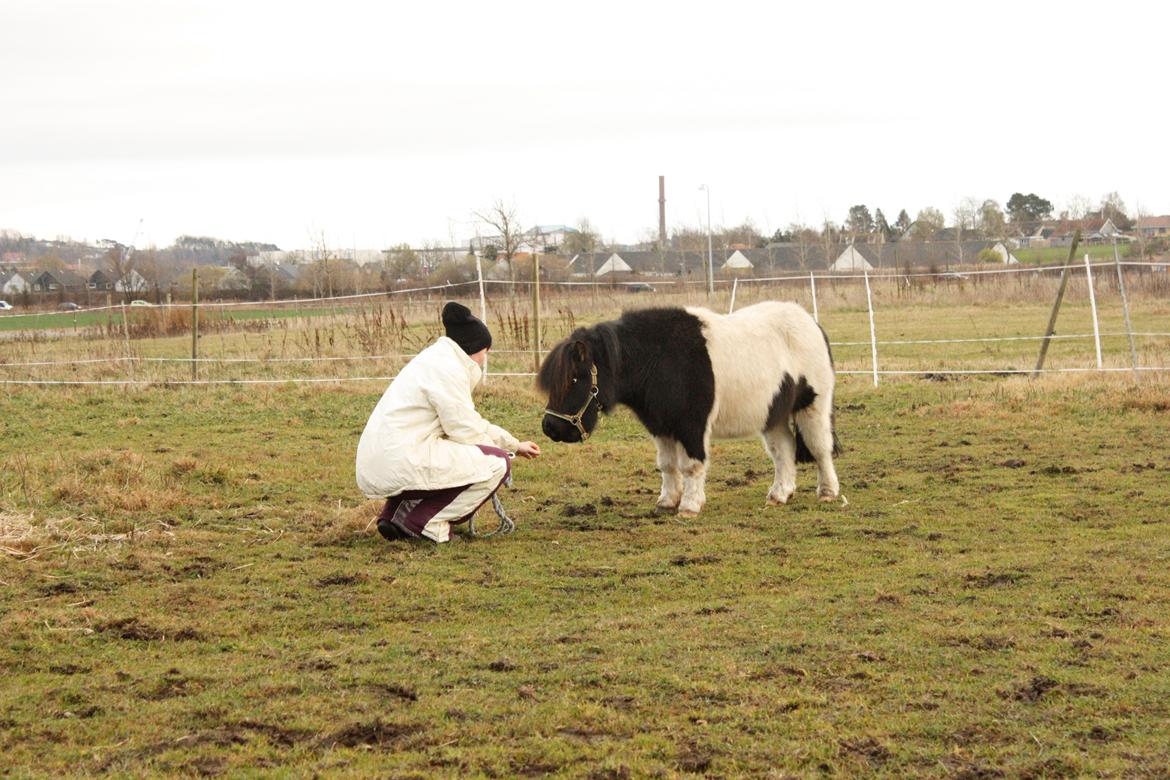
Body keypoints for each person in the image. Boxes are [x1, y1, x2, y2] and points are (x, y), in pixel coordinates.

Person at [356, 301, 541, 543]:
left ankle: (394, 517)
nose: (485, 360)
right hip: (400, 459)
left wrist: (514, 444)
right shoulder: (449, 370)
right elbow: (465, 431)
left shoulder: (433, 361)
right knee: (496, 463)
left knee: (454, 460)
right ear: (475, 350)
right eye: (486, 352)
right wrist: (502, 453)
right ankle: (425, 523)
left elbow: (467, 423)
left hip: (381, 460)